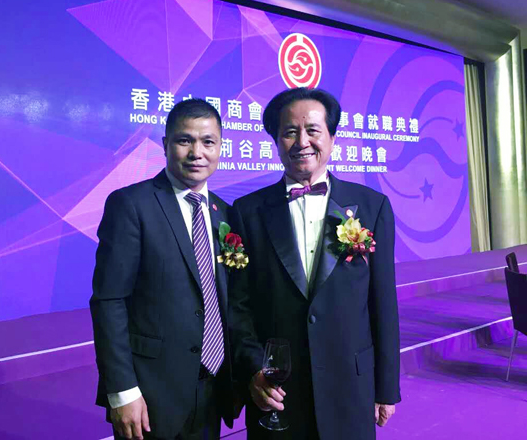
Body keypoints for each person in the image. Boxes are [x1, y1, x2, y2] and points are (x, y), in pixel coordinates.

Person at [228, 87, 401, 439]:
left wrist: (386, 387)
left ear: (332, 138)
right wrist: (253, 370)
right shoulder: (247, 212)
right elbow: (238, 307)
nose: (302, 142)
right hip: (277, 391)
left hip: (350, 385)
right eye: (290, 132)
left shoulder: (372, 207)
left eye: (312, 130)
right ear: (276, 142)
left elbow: (383, 303)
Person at [91, 99, 235, 440]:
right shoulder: (131, 204)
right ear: (166, 144)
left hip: (213, 387)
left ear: (220, 147)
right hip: (150, 392)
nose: (197, 152)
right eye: (185, 140)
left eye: (208, 142)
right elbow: (109, 301)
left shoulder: (226, 214)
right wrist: (122, 391)